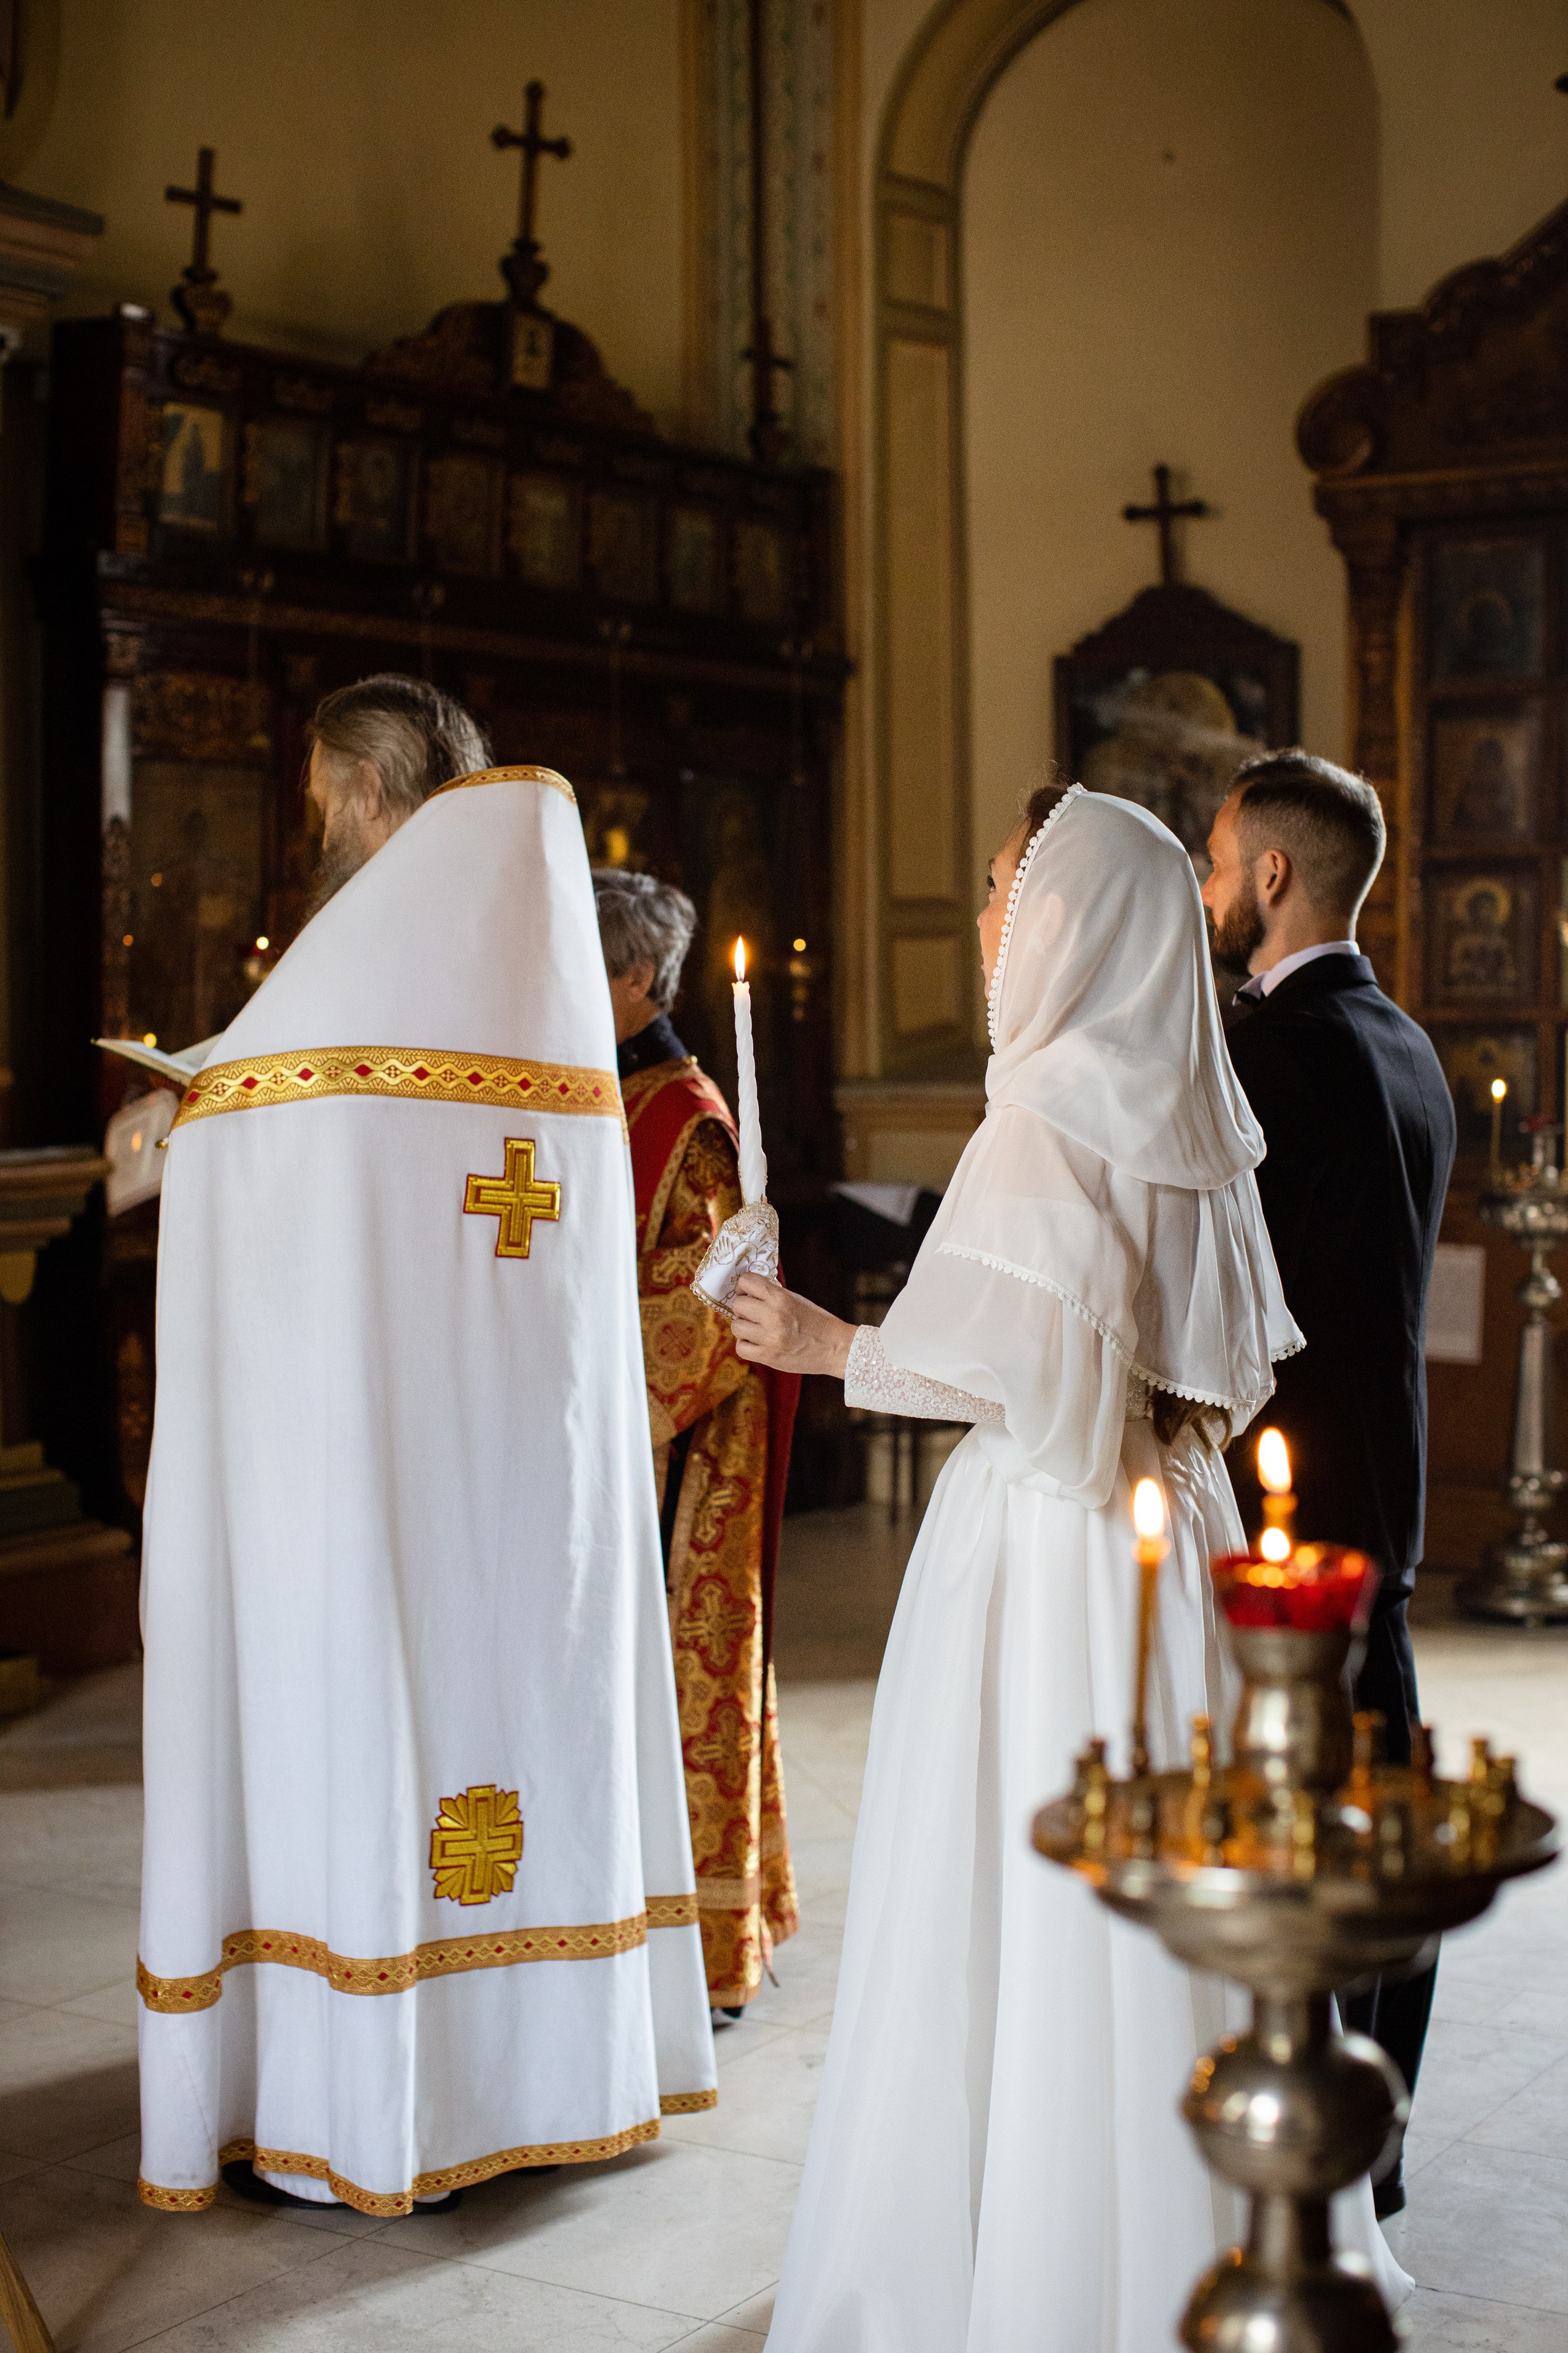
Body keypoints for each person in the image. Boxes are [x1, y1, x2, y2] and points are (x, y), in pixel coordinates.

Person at [733, 784, 1411, 2349]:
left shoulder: (1044, 1107)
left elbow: (1030, 1373)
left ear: (1070, 914)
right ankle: (1195, 2238)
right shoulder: (1189, 1112)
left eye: (1003, 886)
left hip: (1048, 1542)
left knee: (1018, 1881)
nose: (985, 918)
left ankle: (1015, 2271)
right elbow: (1205, 1369)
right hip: (1178, 1533)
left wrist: (827, 1342)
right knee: (1164, 1883)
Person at [136, 676, 714, 2218]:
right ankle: (537, 2072)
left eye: (325, 802)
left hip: (369, 1455)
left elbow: (261, 1152)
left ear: (369, 794)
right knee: (506, 1697)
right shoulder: (533, 960)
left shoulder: (349, 972)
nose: (318, 831)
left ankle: (366, 2083)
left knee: (377, 1720)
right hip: (521, 1466)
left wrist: (190, 1125)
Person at [1202, 749, 1456, 2220]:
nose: (1207, 889)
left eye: (1215, 862)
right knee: (1385, 1806)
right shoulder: (1404, 1039)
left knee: (1307, 1831)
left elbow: (1231, 1301)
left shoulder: (1265, 1053)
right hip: (1385, 1483)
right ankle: (1378, 2136)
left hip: (1286, 1492)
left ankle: (1322, 2146)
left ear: (1271, 873)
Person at [593, 866, 799, 2015]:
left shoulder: (691, 1118)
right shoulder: (595, 1095)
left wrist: (586, 1345)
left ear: (636, 977)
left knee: (683, 1691)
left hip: (691, 1450)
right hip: (617, 1439)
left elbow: (726, 1292)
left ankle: (703, 1953)